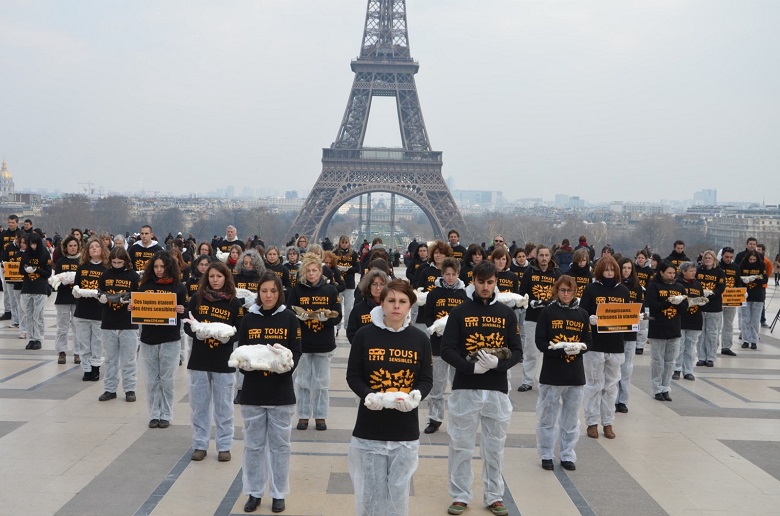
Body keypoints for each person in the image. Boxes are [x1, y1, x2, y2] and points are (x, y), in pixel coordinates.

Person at [440, 261, 522, 516]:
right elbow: (447, 350)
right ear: (472, 281)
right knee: (461, 444)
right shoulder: (459, 312)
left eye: (490, 282)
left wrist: (500, 364)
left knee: (495, 446)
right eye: (481, 282)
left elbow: (518, 351)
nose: (485, 287)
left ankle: (494, 495)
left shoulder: (507, 314)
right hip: (466, 387)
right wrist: (469, 369)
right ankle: (460, 494)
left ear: (496, 282)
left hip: (496, 388)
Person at [347, 279, 433, 516]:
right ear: (381, 303)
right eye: (391, 300)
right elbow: (353, 375)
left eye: (402, 301)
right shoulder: (365, 335)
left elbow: (426, 379)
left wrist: (416, 396)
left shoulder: (420, 339)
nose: (397, 306)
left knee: (398, 492)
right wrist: (368, 395)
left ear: (410, 306)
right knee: (371, 493)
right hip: (370, 427)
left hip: (404, 429)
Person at [238, 271, 302, 514]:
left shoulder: (289, 319)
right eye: (264, 291)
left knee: (280, 446)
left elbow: (296, 352)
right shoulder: (248, 319)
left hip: (280, 392)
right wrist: (246, 366)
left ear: (280, 292)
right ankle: (254, 491)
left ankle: (278, 493)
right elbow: (241, 351)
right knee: (253, 446)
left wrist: (283, 365)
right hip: (253, 392)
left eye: (273, 291)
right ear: (258, 292)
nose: (268, 295)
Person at [185, 261, 244, 462]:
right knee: (199, 406)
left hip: (223, 361)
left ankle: (224, 445)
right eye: (211, 276)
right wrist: (197, 333)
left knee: (224, 406)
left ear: (226, 278)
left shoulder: (234, 303)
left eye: (219, 276)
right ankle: (200, 444)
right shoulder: (197, 298)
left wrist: (229, 337)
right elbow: (187, 324)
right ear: (206, 278)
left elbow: (240, 328)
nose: (215, 280)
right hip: (200, 360)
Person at [535, 275, 591, 471]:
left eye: (569, 291)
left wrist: (580, 348)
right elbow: (540, 341)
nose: (566, 294)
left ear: (575, 292)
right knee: (548, 416)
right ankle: (546, 453)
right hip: (552, 372)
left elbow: (588, 341)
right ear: (556, 291)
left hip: (575, 373)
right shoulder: (547, 313)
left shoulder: (583, 314)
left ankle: (567, 454)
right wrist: (558, 350)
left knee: (571, 417)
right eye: (562, 290)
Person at [287, 253, 342, 431]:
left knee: (321, 382)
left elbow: (338, 314)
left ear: (320, 271)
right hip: (303, 342)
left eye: (315, 271)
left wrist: (327, 318)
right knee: (302, 381)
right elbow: (289, 312)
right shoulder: (297, 290)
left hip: (324, 342)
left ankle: (320, 415)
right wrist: (299, 316)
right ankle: (303, 415)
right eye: (308, 271)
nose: (311, 274)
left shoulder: (330, 290)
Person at [579, 256, 630, 439]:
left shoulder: (623, 291)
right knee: (594, 384)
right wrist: (589, 320)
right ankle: (592, 422)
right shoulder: (591, 289)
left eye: (611, 270)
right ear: (600, 271)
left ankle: (608, 422)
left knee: (611, 385)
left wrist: (633, 322)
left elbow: (627, 315)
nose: (609, 273)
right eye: (606, 270)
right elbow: (582, 312)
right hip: (596, 343)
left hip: (615, 343)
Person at [137, 251, 187, 428]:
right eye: (156, 266)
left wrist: (182, 309)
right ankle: (154, 413)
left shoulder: (179, 287)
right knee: (151, 380)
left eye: (162, 266)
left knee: (166, 380)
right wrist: (132, 308)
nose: (159, 270)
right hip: (149, 338)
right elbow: (139, 308)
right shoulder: (144, 286)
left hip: (170, 339)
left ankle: (166, 413)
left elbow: (186, 313)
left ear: (169, 267)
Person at [422, 257, 467, 434]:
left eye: (453, 274)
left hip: (457, 346)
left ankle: (458, 418)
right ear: (442, 274)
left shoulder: (464, 295)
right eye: (447, 274)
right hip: (438, 345)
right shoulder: (434, 293)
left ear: (458, 274)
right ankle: (434, 418)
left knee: (457, 385)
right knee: (437, 384)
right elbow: (426, 316)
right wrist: (435, 327)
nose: (450, 277)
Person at [97, 246, 141, 402]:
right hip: (109, 321)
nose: (116, 265)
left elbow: (140, 296)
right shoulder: (105, 275)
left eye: (119, 262)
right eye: (114, 262)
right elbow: (100, 292)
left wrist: (131, 300)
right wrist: (101, 298)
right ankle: (110, 389)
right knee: (109, 358)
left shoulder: (133, 276)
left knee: (129, 359)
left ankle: (130, 389)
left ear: (126, 261)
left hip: (128, 323)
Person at [517, 245, 561, 392]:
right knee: (531, 351)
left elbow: (561, 294)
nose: (543, 258)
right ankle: (528, 381)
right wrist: (530, 302)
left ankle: (549, 379)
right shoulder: (529, 272)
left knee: (552, 351)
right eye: (541, 255)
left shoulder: (556, 273)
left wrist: (553, 303)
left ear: (550, 257)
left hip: (551, 318)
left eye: (546, 255)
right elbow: (522, 293)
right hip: (532, 317)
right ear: (537, 257)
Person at [646, 260, 688, 401]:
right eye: (669, 273)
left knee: (670, 361)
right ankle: (657, 388)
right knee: (657, 360)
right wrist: (668, 302)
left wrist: (678, 303)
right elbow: (653, 306)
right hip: (658, 328)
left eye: (673, 273)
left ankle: (666, 387)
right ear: (662, 272)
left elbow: (685, 307)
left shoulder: (679, 287)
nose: (671, 275)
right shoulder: (654, 286)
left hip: (674, 328)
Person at [74, 236, 109, 381]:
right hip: (82, 309)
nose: (94, 248)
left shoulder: (106, 269)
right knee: (83, 342)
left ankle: (95, 368)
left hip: (98, 311)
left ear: (102, 249)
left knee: (97, 342)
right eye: (91, 247)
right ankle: (86, 368)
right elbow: (77, 284)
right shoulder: (82, 267)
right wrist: (76, 291)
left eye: (97, 246)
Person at [616, 257, 643, 413]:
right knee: (615, 367)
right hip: (617, 329)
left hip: (630, 331)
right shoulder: (616, 286)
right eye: (623, 268)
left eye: (628, 268)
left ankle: (623, 400)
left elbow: (640, 305)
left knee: (627, 368)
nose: (626, 271)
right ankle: (613, 398)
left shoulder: (636, 287)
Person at [20, 233, 52, 350]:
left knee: (37, 315)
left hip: (40, 288)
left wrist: (36, 270)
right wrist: (26, 270)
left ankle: (38, 338)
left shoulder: (45, 254)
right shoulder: (26, 254)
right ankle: (31, 338)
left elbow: (48, 272)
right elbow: (20, 270)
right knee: (28, 314)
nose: (33, 246)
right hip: (27, 287)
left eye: (35, 244)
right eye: (31, 244)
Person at [673, 262, 705, 380]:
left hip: (694, 319)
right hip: (681, 319)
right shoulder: (677, 284)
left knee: (690, 347)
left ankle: (688, 370)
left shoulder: (697, 284)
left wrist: (701, 301)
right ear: (683, 272)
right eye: (691, 271)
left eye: (694, 271)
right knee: (679, 346)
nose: (693, 273)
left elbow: (702, 299)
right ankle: (676, 369)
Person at [695, 250, 726, 366]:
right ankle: (701, 357)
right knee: (701, 333)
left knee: (712, 333)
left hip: (714, 306)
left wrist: (712, 294)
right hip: (701, 306)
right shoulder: (699, 271)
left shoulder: (719, 272)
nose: (708, 260)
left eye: (710, 258)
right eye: (706, 258)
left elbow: (721, 286)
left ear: (714, 260)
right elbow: (695, 284)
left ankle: (711, 357)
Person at [54, 235, 81, 364]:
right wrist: (63, 280)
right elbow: (55, 279)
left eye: (75, 245)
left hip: (77, 298)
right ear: (66, 247)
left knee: (78, 326)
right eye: (70, 246)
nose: (72, 248)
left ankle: (78, 352)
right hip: (63, 298)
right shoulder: (61, 262)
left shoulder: (82, 262)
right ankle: (61, 352)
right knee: (62, 327)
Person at [347, 269, 389, 344]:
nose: (378, 288)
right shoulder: (359, 309)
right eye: (374, 284)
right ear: (369, 286)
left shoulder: (392, 307)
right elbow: (351, 333)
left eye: (382, 284)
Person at [739, 250, 767, 350]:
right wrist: (743, 280)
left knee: (755, 320)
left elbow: (765, 279)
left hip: (758, 295)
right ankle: (745, 340)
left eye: (754, 259)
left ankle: (754, 340)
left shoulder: (761, 265)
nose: (752, 261)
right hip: (745, 295)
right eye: (750, 259)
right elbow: (738, 278)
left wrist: (755, 279)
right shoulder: (743, 265)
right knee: (745, 319)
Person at [334, 235, 360, 336]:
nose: (344, 245)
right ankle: (337, 327)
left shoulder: (354, 254)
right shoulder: (334, 253)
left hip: (349, 285)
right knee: (337, 308)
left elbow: (358, 268)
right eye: (343, 242)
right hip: (338, 285)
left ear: (349, 243)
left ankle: (347, 327)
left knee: (348, 308)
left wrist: (347, 269)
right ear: (339, 243)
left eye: (346, 242)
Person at [718, 247, 742, 356]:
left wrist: (741, 292)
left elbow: (738, 282)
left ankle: (726, 347)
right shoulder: (717, 266)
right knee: (716, 325)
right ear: (722, 256)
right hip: (718, 299)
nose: (728, 259)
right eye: (726, 257)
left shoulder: (735, 267)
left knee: (728, 324)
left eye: (731, 257)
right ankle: (713, 346)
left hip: (731, 299)